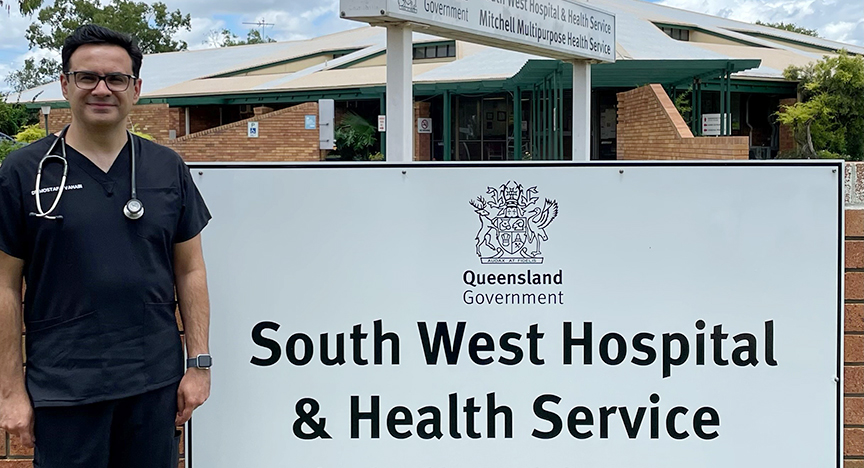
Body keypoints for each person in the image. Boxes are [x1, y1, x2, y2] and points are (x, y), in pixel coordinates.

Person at [0, 24, 212, 467]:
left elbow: (190, 269)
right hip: (63, 390)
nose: (102, 89)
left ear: (135, 88)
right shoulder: (23, 173)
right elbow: (4, 286)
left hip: (153, 386)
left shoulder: (165, 168)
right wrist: (10, 391)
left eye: (116, 79)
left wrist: (199, 363)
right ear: (64, 84)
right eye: (87, 77)